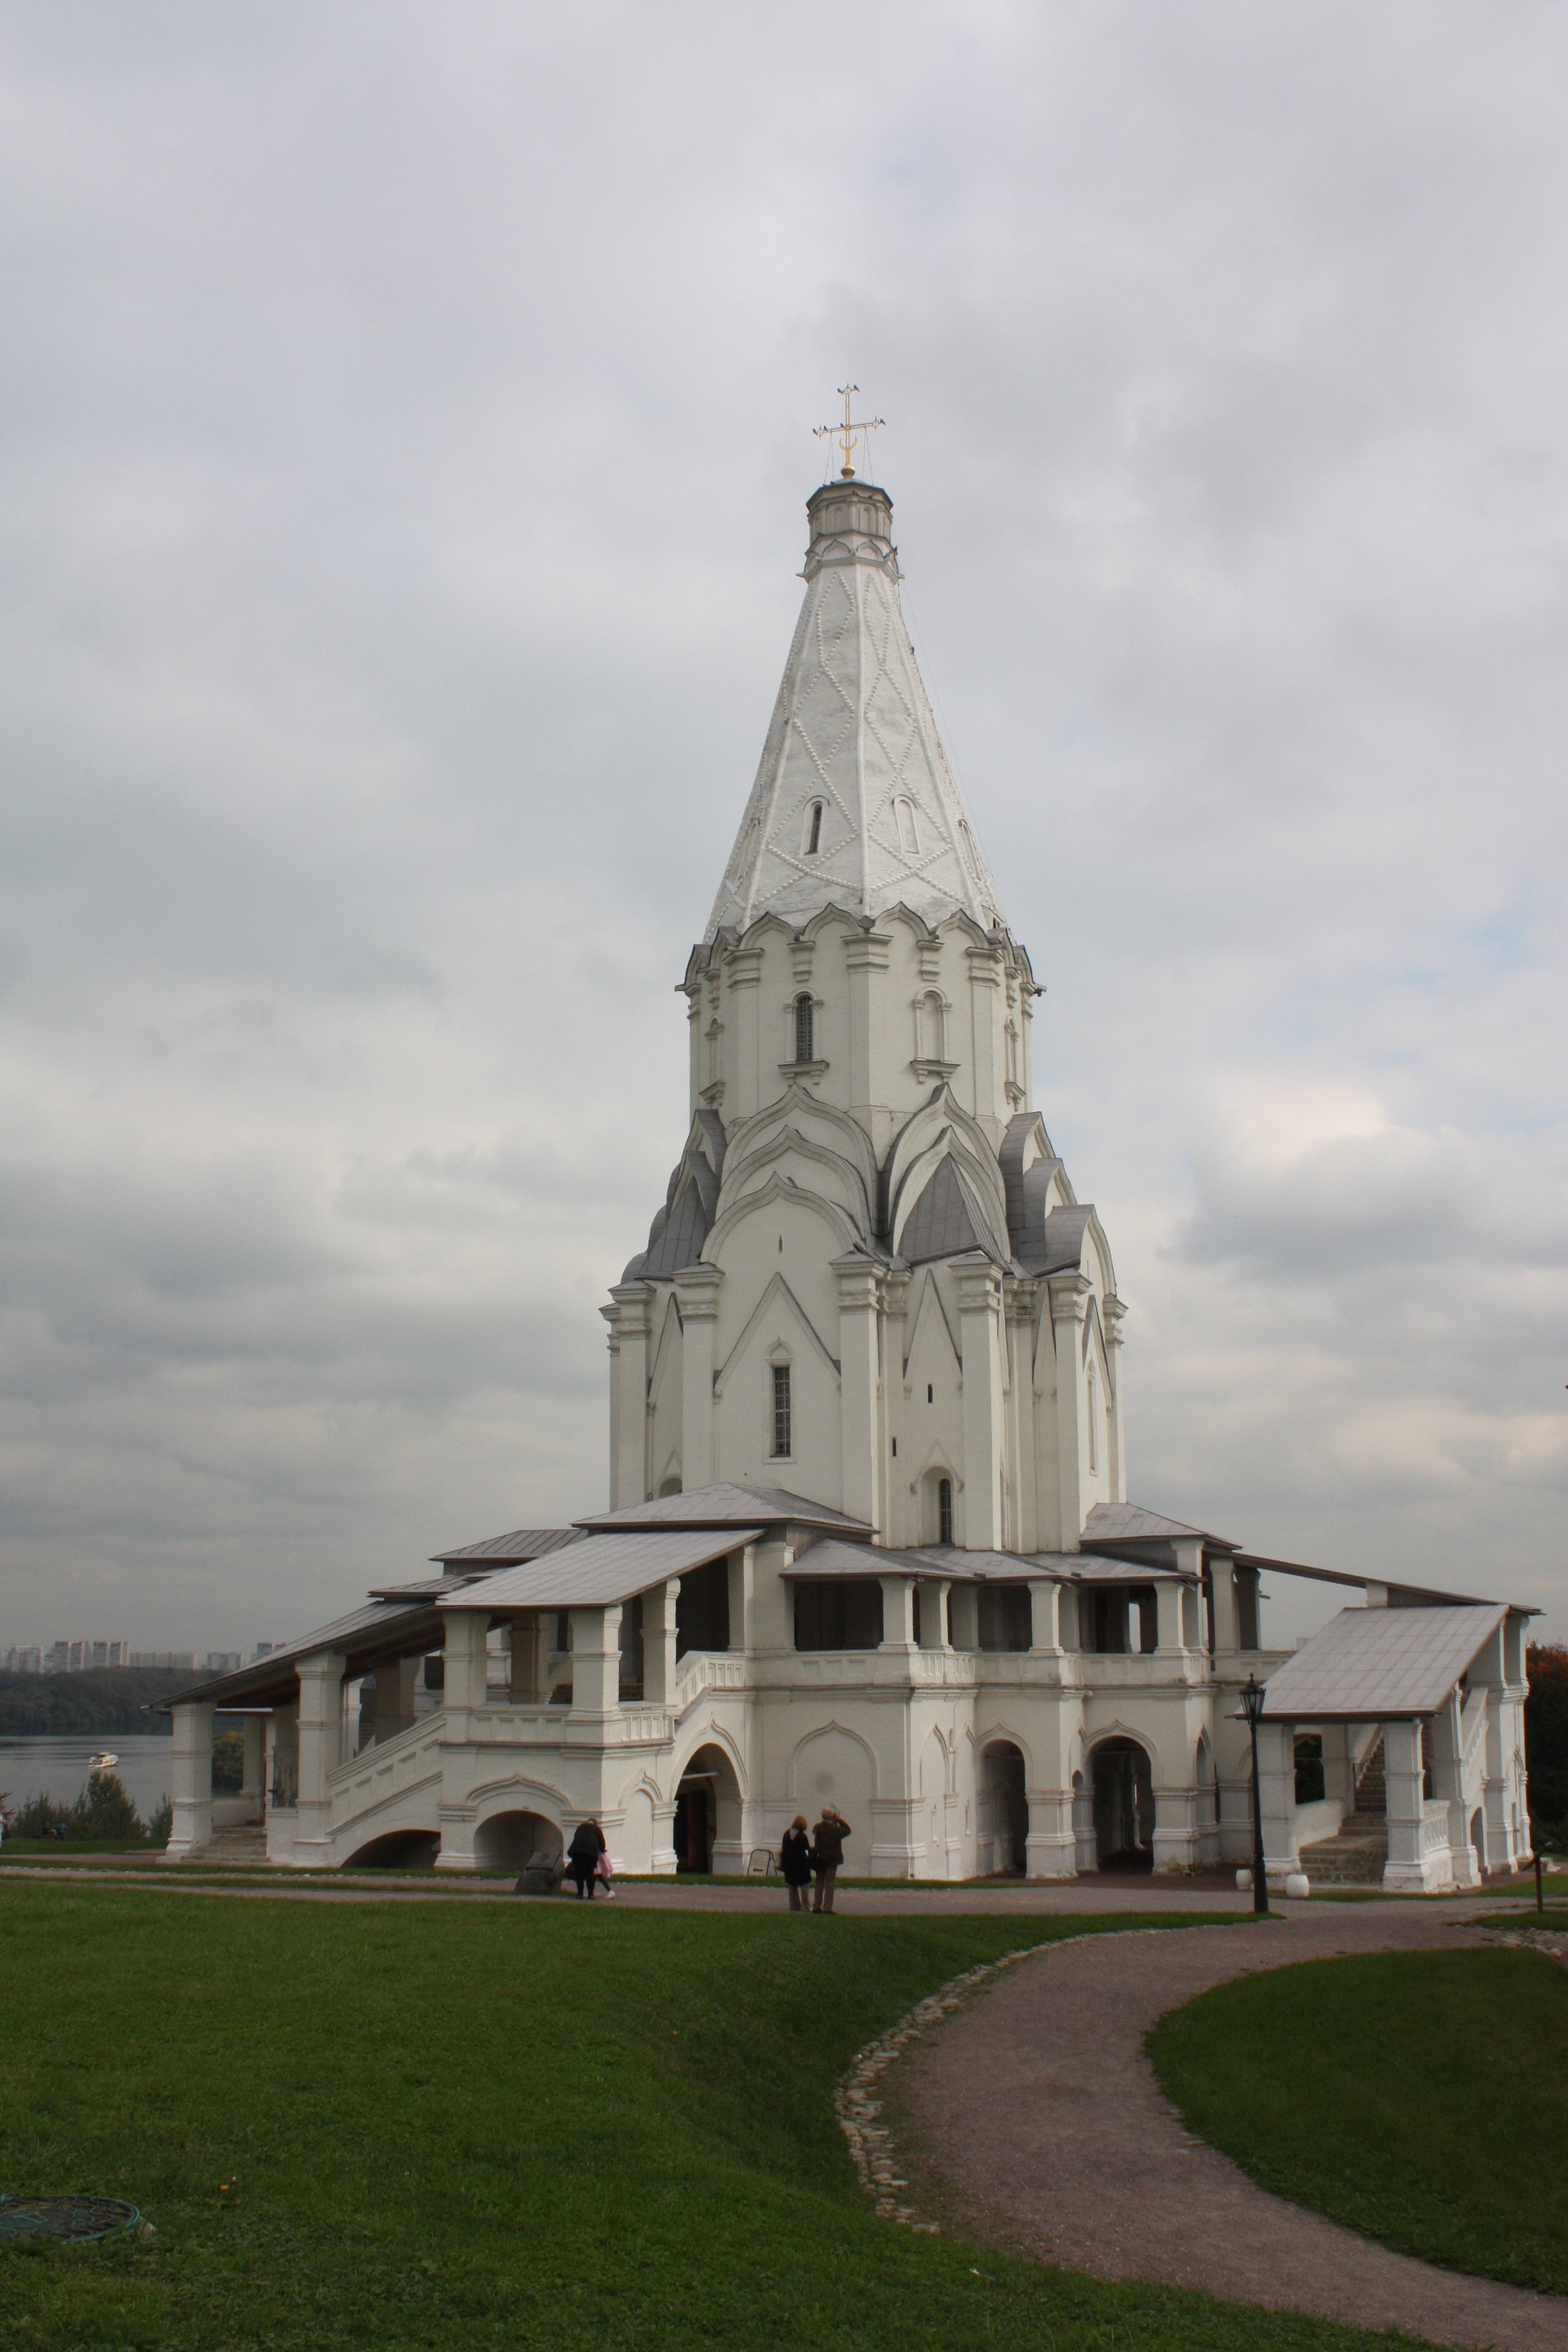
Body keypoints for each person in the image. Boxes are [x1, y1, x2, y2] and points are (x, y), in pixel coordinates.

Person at [810, 1805, 850, 1913]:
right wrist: (839, 1820)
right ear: (832, 1816)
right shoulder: (835, 1829)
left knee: (819, 1883)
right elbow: (847, 1830)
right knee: (829, 1884)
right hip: (832, 1859)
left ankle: (816, 1906)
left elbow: (815, 1833)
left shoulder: (818, 1827)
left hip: (820, 1858)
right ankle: (827, 1907)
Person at [779, 1815, 813, 1911]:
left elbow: (784, 1848)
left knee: (792, 1885)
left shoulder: (787, 1834)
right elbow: (806, 1849)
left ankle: (794, 1905)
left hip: (789, 1864)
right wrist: (808, 1856)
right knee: (804, 1885)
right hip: (801, 1864)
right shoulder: (802, 1836)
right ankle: (806, 1905)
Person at [567, 1816, 606, 1898]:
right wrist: (602, 1850)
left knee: (579, 1873)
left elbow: (576, 1838)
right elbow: (602, 1843)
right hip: (591, 1853)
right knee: (590, 1874)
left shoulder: (581, 1827)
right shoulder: (597, 1829)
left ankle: (580, 1894)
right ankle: (591, 1895)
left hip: (577, 1852)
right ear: (595, 1823)